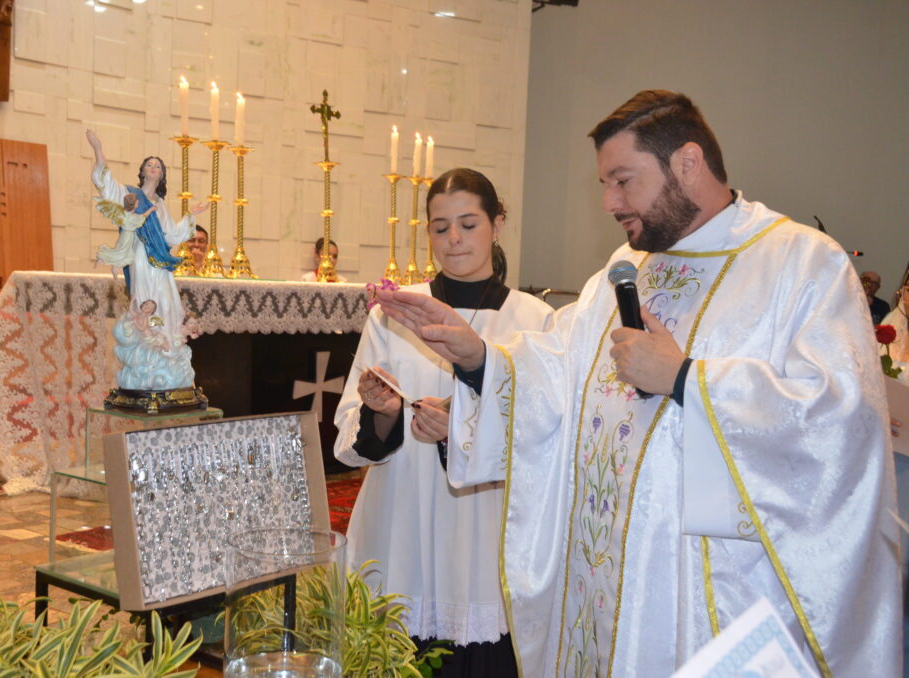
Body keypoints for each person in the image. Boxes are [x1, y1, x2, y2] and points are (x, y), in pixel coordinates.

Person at [377, 91, 900, 677]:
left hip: (711, 593)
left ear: (687, 163)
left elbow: (841, 423)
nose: (608, 202)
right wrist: (478, 357)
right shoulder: (624, 270)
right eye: (605, 182)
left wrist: (684, 379)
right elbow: (557, 369)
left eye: (623, 181)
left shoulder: (800, 263)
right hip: (603, 583)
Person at [334, 168, 553, 676]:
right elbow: (351, 429)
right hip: (401, 513)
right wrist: (381, 414)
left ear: (498, 225)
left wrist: (464, 426)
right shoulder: (396, 312)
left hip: (482, 521)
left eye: (469, 224)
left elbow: (544, 433)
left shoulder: (534, 320)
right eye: (440, 226)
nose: (453, 239)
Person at [86, 128, 207, 360]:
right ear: (142, 171)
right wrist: (98, 149)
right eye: (149, 165)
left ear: (161, 175)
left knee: (165, 295)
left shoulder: (160, 204)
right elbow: (106, 185)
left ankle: (166, 339)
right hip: (140, 255)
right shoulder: (129, 194)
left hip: (160, 258)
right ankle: (149, 339)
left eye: (158, 166)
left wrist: (192, 215)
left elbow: (171, 235)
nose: (153, 168)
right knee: (145, 295)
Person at [94, 193, 157, 274]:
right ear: (134, 204)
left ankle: (113, 266)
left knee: (121, 254)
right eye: (137, 202)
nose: (138, 202)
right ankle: (104, 260)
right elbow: (143, 217)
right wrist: (151, 209)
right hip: (127, 237)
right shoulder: (132, 217)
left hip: (124, 235)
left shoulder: (124, 214)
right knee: (126, 256)